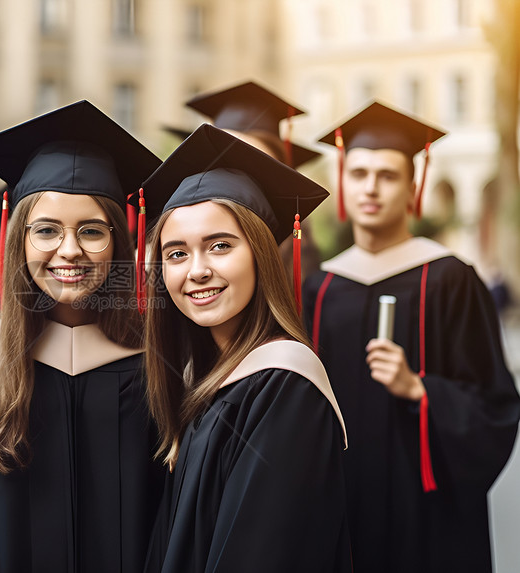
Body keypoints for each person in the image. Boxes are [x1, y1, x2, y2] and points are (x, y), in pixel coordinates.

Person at [0, 100, 166, 573]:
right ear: (18, 241)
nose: (70, 250)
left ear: (119, 244)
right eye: (45, 231)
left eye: (92, 231)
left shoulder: (153, 365)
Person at [303, 101, 520, 573]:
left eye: (388, 175)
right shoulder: (318, 288)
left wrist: (420, 389)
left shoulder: (450, 280)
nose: (371, 188)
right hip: (343, 503)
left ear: (412, 186)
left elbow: (496, 405)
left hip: (427, 517)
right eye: (359, 173)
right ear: (342, 181)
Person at [140, 124, 350, 573]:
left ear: (260, 254)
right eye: (176, 253)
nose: (197, 270)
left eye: (220, 246)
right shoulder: (198, 377)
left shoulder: (285, 387)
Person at [164, 80, 323, 283]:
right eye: (223, 163)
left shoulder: (310, 279)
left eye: (255, 166)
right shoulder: (165, 263)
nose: (236, 180)